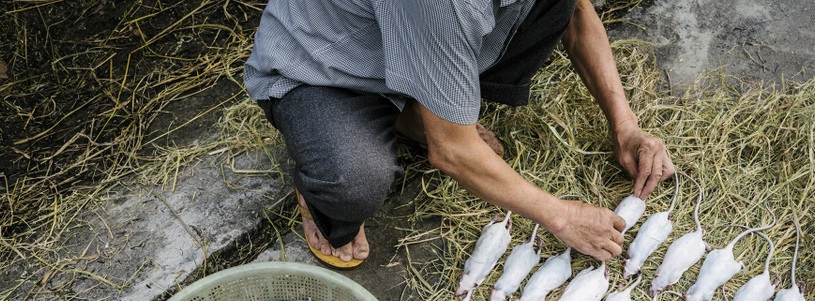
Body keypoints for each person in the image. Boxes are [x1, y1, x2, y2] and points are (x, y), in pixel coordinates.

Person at [244, 0, 674, 268]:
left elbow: (577, 12)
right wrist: (562, 217)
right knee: (354, 180)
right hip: (324, 68)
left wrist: (626, 127)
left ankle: (421, 108)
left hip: (412, 38)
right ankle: (325, 196)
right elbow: (451, 152)